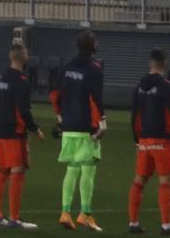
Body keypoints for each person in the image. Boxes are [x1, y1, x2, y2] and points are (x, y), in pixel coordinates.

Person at [51, 31, 105, 232]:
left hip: (68, 126)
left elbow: (54, 93)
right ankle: (85, 214)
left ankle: (65, 212)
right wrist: (100, 123)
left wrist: (59, 115)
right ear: (93, 47)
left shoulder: (66, 67)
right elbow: (95, 99)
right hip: (85, 126)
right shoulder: (94, 69)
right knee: (88, 169)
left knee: (72, 169)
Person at [129, 48, 170, 235]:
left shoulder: (139, 86)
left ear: (150, 63)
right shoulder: (168, 87)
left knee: (139, 180)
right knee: (165, 181)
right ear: (164, 63)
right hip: (162, 140)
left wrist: (137, 140)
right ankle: (166, 225)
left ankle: (133, 222)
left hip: (144, 140)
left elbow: (134, 115)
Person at [0, 42, 43, 229]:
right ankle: (14, 218)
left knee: (1, 172)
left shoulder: (1, 79)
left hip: (2, 131)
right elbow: (23, 110)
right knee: (17, 171)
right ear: (24, 58)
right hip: (15, 133)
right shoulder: (21, 81)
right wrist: (35, 129)